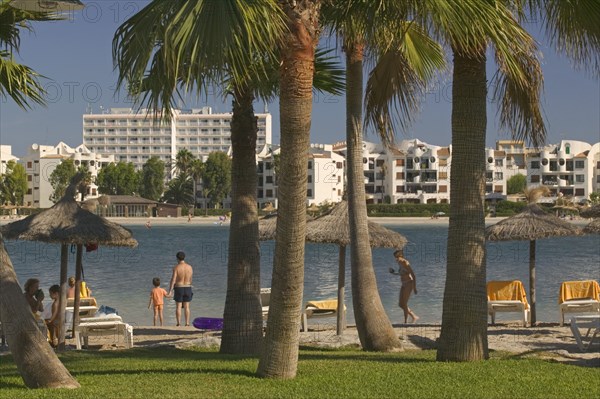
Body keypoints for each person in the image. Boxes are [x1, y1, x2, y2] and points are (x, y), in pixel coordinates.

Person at [389, 249, 419, 323]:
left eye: (397, 257)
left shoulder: (405, 262)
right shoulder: (399, 263)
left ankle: (405, 321)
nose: (396, 259)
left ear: (401, 256)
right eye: (395, 257)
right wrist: (393, 273)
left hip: (409, 283)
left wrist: (414, 288)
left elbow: (413, 275)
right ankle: (414, 316)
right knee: (401, 304)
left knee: (404, 303)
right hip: (404, 284)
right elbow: (402, 273)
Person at [168, 251, 193, 327]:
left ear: (177, 258)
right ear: (184, 257)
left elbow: (173, 279)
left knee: (178, 306)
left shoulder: (176, 267)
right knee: (187, 306)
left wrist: (170, 290)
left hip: (179, 287)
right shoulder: (190, 267)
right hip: (188, 287)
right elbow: (191, 279)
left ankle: (178, 323)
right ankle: (187, 323)